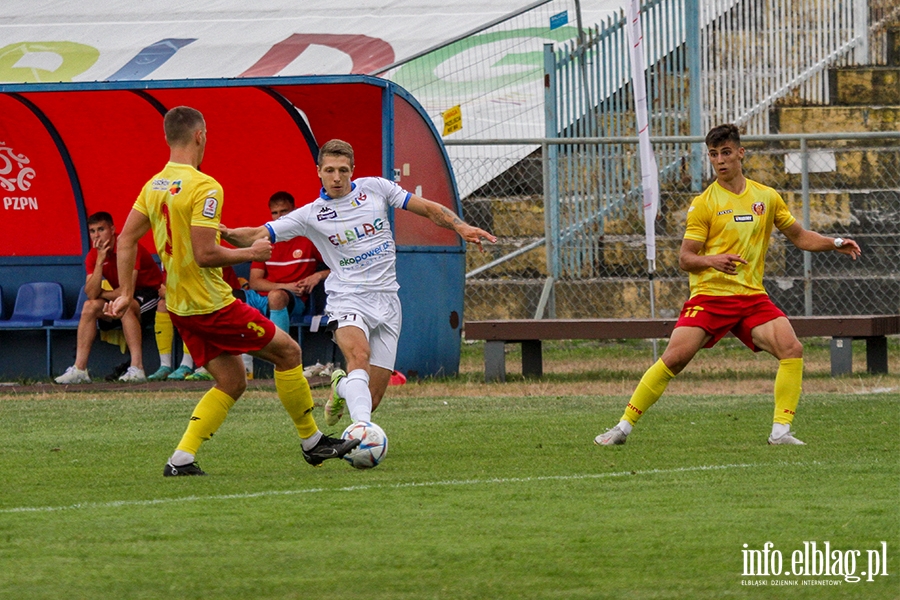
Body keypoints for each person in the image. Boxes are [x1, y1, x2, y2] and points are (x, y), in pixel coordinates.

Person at [106, 106, 359, 476]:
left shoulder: (155, 185)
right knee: (289, 352)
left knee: (232, 380)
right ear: (200, 135)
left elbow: (125, 239)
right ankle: (313, 442)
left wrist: (126, 292)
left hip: (179, 305)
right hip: (211, 305)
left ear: (167, 138)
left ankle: (181, 459)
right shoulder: (204, 187)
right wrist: (251, 252)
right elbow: (205, 254)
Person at [594, 123, 861, 447]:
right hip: (711, 295)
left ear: (740, 153)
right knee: (675, 359)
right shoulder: (704, 204)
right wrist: (713, 260)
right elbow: (685, 258)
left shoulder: (766, 197)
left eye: (725, 153)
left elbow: (799, 236)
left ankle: (781, 432)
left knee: (791, 348)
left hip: (750, 297)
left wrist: (835, 242)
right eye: (713, 155)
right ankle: (622, 427)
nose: (720, 160)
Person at [220, 138, 497, 430]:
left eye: (343, 170)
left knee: (372, 398)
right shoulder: (310, 215)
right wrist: (219, 232)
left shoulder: (376, 188)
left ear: (353, 170)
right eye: (329, 170)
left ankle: (341, 388)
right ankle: (362, 432)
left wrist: (460, 226)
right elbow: (254, 234)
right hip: (347, 298)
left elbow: (427, 208)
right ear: (318, 171)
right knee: (359, 355)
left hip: (388, 301)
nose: (336, 177)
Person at [55, 211, 163, 384]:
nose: (97, 235)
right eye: (92, 231)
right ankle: (80, 369)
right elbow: (91, 293)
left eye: (101, 229)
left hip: (149, 295)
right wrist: (99, 261)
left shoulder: (127, 246)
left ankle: (137, 368)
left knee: (124, 305)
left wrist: (103, 294)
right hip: (123, 295)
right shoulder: (94, 255)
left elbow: (127, 290)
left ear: (112, 230)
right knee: (90, 306)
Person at [243, 191, 330, 334]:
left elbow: (340, 267)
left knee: (276, 296)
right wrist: (286, 286)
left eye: (284, 211)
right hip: (261, 298)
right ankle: (239, 355)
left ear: (295, 211)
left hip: (293, 300)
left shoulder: (309, 239)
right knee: (225, 298)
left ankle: (280, 351)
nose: (279, 217)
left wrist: (318, 275)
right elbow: (255, 282)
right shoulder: (264, 242)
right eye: (275, 213)